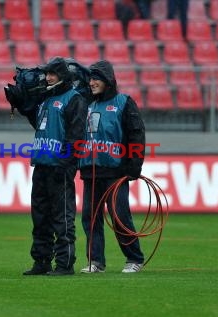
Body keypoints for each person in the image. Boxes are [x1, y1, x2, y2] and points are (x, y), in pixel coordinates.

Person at [20, 57, 87, 276]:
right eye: (47, 73)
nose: (48, 77)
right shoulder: (45, 99)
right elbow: (40, 126)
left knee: (62, 217)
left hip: (60, 167)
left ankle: (65, 264)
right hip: (41, 164)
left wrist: (65, 163)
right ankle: (41, 261)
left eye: (53, 74)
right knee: (40, 217)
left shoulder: (73, 99)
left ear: (63, 76)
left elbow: (76, 135)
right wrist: (23, 105)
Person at [78, 60, 146, 274]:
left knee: (119, 216)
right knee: (90, 217)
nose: (92, 82)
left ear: (108, 80)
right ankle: (96, 261)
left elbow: (136, 134)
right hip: (90, 170)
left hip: (115, 171)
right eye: (90, 78)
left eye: (96, 78)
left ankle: (134, 258)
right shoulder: (85, 103)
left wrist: (134, 165)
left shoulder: (123, 102)